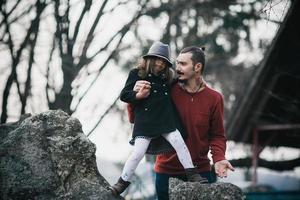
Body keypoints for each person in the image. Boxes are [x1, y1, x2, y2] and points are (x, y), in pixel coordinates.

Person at [133, 46, 235, 200]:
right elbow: (136, 118)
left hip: (200, 172)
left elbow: (217, 135)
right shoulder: (166, 89)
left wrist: (219, 158)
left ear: (197, 67)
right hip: (166, 171)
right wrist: (135, 98)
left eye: (182, 64)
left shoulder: (214, 98)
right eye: (177, 63)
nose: (177, 67)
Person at [109, 42, 208, 197]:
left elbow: (182, 75)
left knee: (180, 143)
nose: (160, 64)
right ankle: (121, 183)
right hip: (145, 122)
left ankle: (192, 174)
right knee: (137, 153)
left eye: (164, 62)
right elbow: (124, 95)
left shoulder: (166, 78)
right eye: (157, 60)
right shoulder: (137, 74)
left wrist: (198, 53)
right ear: (149, 59)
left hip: (166, 121)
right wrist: (138, 95)